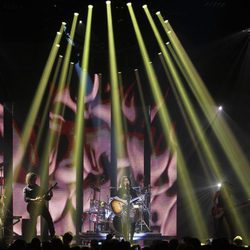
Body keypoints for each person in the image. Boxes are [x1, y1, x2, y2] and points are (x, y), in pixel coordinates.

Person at [23, 172, 55, 238]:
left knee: (49, 221)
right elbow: (26, 199)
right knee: (33, 224)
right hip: (32, 208)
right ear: (29, 180)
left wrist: (51, 195)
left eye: (35, 179)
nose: (34, 181)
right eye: (32, 179)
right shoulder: (26, 189)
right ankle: (34, 238)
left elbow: (47, 198)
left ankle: (53, 236)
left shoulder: (39, 188)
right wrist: (34, 200)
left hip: (41, 207)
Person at [113, 176, 138, 242]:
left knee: (132, 223)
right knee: (124, 223)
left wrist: (134, 204)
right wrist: (123, 201)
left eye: (127, 180)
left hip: (131, 208)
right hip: (123, 209)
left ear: (129, 182)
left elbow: (136, 200)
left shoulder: (132, 191)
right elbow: (115, 197)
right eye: (125, 180)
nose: (126, 182)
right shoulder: (120, 190)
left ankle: (131, 238)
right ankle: (125, 238)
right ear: (122, 182)